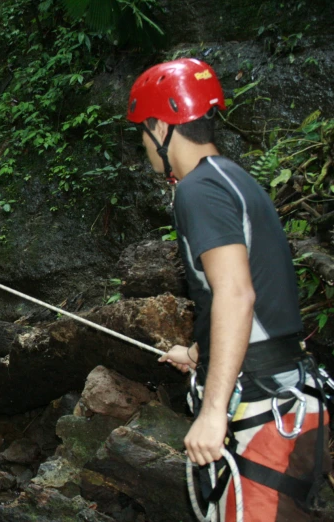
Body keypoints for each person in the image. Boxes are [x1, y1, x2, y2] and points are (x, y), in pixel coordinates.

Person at [127, 58, 331, 520]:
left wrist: (214, 411)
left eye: (142, 130)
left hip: (264, 410)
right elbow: (264, 293)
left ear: (161, 126)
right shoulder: (236, 179)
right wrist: (201, 354)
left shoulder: (198, 191)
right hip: (286, 394)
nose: (143, 143)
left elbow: (237, 295)